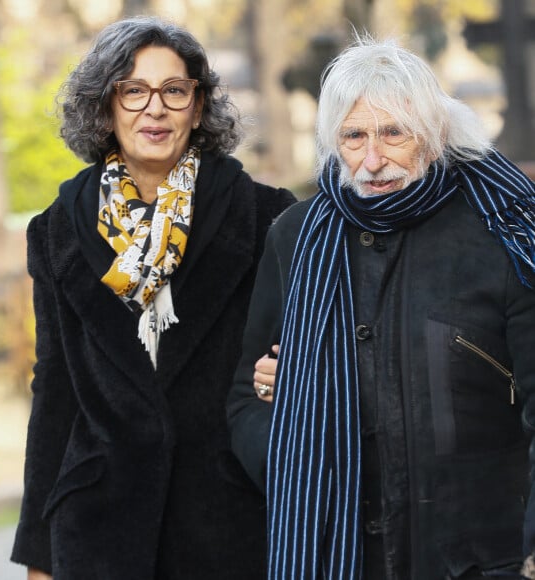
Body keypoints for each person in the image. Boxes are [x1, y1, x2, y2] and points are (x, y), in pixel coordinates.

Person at [227, 36, 535, 580]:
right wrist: (291, 461)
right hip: (333, 555)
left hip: (478, 559)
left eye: (394, 132)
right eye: (353, 136)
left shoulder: (501, 236)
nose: (372, 160)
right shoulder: (295, 238)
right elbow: (243, 396)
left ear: (434, 134)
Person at [10, 16, 296, 579]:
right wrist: (39, 551)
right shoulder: (57, 232)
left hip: (231, 523)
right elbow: (55, 393)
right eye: (133, 90)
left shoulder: (268, 219)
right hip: (99, 530)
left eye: (174, 90)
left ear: (198, 104)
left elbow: (298, 364)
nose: (154, 109)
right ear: (104, 105)